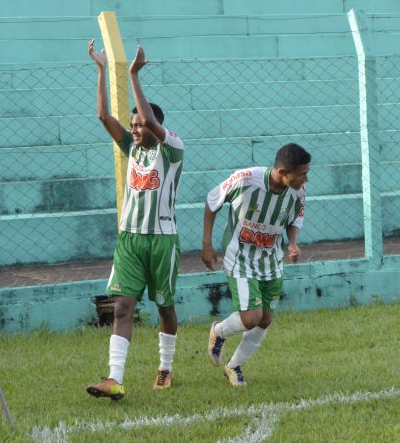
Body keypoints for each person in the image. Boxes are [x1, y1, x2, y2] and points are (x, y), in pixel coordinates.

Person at [85, 39, 185, 400]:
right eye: (133, 125)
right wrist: (100, 71)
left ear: (155, 125)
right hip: (130, 240)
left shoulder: (172, 150)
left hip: (162, 241)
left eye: (141, 125)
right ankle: (114, 378)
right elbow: (102, 117)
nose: (136, 129)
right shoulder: (132, 149)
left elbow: (150, 121)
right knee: (123, 307)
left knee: (165, 307)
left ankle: (165, 366)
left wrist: (133, 76)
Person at [202, 144, 310, 386]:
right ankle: (218, 331)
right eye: (302, 173)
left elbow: (296, 218)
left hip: (271, 261)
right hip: (239, 257)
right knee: (251, 317)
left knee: (265, 319)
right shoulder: (245, 180)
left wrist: (292, 243)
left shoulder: (298, 191)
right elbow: (212, 202)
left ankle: (234, 366)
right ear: (283, 172)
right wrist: (207, 243)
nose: (307, 178)